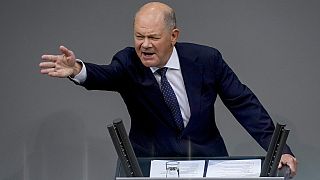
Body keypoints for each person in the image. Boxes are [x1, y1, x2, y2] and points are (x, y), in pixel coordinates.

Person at [39, 2, 297, 177]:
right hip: (149, 167)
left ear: (173, 36)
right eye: (139, 36)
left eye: (153, 37)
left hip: (207, 164)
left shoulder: (206, 60)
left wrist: (280, 151)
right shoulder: (128, 63)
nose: (145, 45)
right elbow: (105, 75)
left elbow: (243, 103)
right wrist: (77, 70)